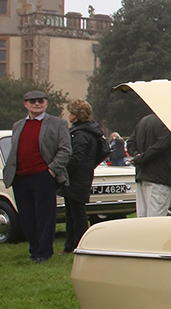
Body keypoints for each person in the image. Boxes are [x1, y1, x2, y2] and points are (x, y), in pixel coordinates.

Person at [3, 90, 70, 262]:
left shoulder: (57, 123)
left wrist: (51, 170)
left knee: (45, 216)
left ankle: (44, 253)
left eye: (40, 101)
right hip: (20, 178)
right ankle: (34, 251)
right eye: (32, 101)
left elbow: (65, 150)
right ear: (26, 104)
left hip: (43, 176)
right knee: (26, 217)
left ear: (46, 104)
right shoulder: (18, 125)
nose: (37, 104)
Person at [64, 99, 108, 253]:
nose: (68, 114)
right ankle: (71, 245)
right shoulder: (89, 132)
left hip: (77, 177)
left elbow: (76, 158)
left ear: (76, 115)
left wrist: (64, 170)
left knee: (77, 214)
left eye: (70, 112)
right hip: (82, 176)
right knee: (72, 212)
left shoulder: (81, 134)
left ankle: (80, 244)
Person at [131, 112, 171, 217]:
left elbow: (130, 143)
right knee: (156, 220)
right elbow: (161, 146)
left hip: (142, 176)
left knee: (142, 218)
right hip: (159, 177)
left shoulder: (143, 121)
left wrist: (137, 156)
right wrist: (141, 158)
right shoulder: (168, 124)